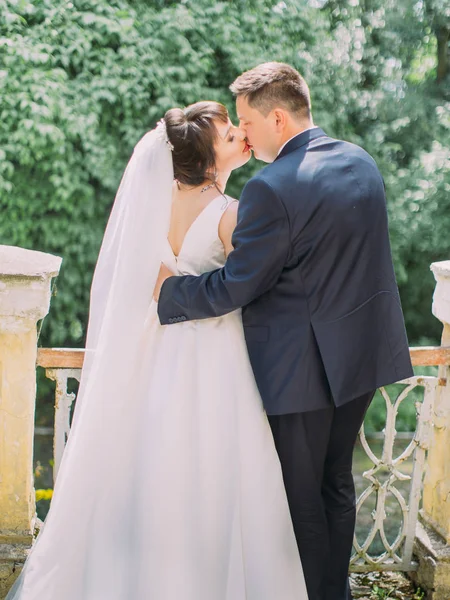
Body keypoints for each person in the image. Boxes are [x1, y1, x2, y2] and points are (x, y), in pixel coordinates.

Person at [5, 101, 308, 600]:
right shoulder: (231, 212)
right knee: (212, 466)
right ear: (209, 158)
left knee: (149, 458)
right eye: (228, 132)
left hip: (152, 349)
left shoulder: (153, 201)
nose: (240, 135)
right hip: (214, 354)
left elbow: (144, 277)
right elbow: (247, 287)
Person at [154, 63, 414, 600]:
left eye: (247, 122)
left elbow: (235, 286)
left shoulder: (271, 188)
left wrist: (169, 293)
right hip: (360, 359)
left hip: (300, 372)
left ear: (277, 117)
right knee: (336, 483)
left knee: (302, 498)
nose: (244, 134)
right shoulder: (360, 162)